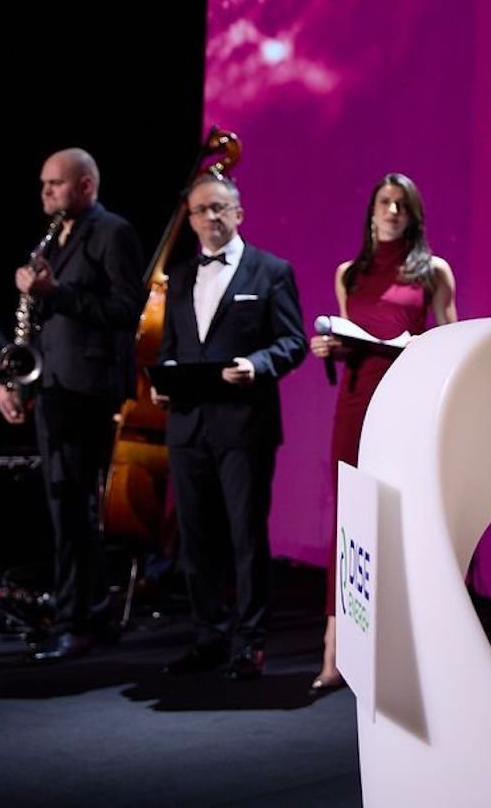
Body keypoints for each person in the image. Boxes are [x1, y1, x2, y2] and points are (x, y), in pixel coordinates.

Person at [307, 172, 457, 694]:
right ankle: (334, 651)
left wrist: (422, 347)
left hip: (405, 404)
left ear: (413, 216)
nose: (392, 211)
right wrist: (329, 348)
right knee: (349, 522)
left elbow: (451, 342)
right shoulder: (349, 274)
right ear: (371, 213)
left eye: (401, 204)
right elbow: (349, 337)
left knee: (403, 520)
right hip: (354, 404)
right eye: (384, 202)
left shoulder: (432, 271)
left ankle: (407, 650)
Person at [0, 148, 144, 661]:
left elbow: (127, 311)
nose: (45, 192)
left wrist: (55, 293)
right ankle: (81, 615)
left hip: (88, 388)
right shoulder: (54, 238)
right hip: (53, 385)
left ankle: (78, 620)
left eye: (55, 183)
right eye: (43, 184)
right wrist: (12, 379)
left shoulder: (113, 233)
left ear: (86, 185)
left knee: (75, 508)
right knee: (64, 507)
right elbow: (40, 324)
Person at [154, 173, 306, 680]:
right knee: (196, 539)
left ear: (238, 213)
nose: (210, 217)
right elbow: (172, 347)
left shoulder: (271, 271)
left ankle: (250, 642)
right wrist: (163, 380)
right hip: (187, 426)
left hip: (244, 425)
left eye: (219, 208)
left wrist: (257, 365)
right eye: (201, 210)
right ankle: (208, 637)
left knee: (245, 537)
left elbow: (292, 342)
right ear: (191, 219)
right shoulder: (179, 276)